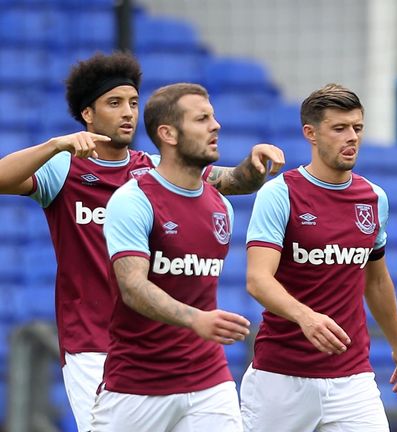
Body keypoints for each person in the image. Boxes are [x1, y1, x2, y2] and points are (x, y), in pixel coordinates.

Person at [0, 52, 284, 431]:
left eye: (133, 103)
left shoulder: (155, 170)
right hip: (93, 345)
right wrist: (56, 145)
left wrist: (254, 165)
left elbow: (231, 181)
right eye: (114, 103)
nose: (127, 113)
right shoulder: (65, 169)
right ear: (88, 114)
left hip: (162, 340)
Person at [239, 83, 397, 432]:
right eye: (339, 128)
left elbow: (377, 280)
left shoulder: (374, 198)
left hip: (352, 379)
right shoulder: (280, 194)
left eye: (357, 127)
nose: (351, 137)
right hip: (281, 378)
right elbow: (257, 279)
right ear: (311, 133)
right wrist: (305, 317)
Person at [92, 82, 253, 430]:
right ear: (168, 134)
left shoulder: (221, 205)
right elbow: (132, 286)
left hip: (210, 380)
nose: (216, 126)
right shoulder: (133, 200)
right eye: (202, 119)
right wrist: (196, 319)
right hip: (137, 386)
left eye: (213, 117)